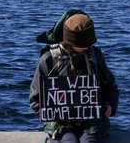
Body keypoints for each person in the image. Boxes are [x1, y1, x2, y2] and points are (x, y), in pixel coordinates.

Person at [30, 11, 118, 143]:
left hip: (92, 121)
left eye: (89, 43)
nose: (87, 47)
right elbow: (35, 99)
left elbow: (109, 86)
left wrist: (109, 104)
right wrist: (51, 114)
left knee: (90, 141)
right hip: (60, 124)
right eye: (82, 44)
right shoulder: (49, 59)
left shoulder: (95, 56)